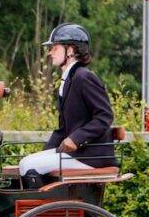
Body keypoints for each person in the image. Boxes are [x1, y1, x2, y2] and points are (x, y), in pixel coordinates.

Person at [18, 23, 116, 188]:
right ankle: (42, 203)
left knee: (28, 165)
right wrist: (45, 151)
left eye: (54, 48)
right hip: (77, 154)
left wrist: (75, 139)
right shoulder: (69, 79)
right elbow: (63, 129)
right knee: (26, 162)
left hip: (91, 157)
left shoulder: (84, 77)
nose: (50, 53)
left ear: (70, 50)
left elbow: (104, 116)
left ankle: (43, 205)